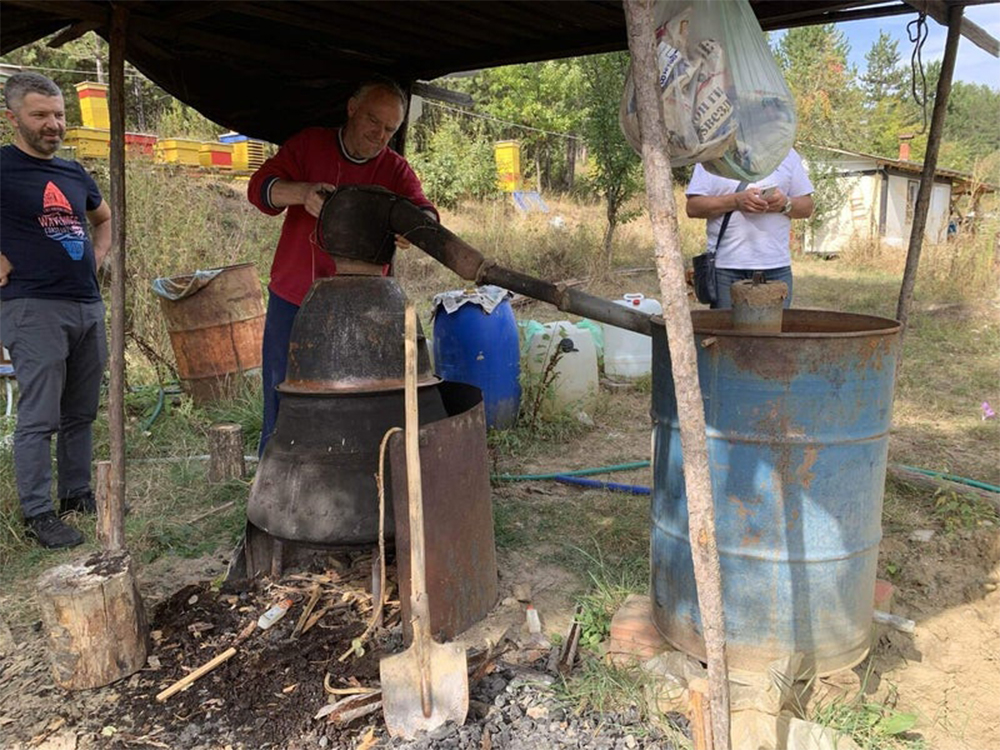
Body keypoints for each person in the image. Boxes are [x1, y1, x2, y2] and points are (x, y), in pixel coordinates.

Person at [248, 77, 437, 454]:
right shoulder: (309, 144)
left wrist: (415, 228)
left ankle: (348, 470)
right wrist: (302, 192)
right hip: (294, 297)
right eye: (373, 121)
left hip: (362, 307)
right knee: (284, 390)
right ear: (352, 109)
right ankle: (274, 470)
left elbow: (426, 211)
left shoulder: (394, 168)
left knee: (356, 397)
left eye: (390, 129)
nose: (379, 135)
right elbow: (260, 189)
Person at [1, 72, 112, 549]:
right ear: (13, 118)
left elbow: (104, 218)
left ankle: (76, 494)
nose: (54, 124)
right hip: (32, 306)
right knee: (40, 416)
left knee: (80, 411)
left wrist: (97, 258)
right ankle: (38, 513)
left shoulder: (73, 172)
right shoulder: (2, 166)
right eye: (40, 115)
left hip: (86, 303)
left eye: (60, 114)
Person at [685, 148, 814, 309]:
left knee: (774, 326)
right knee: (726, 326)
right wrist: (735, 201)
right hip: (724, 268)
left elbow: (807, 207)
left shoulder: (786, 153)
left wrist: (785, 204)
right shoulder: (714, 151)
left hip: (776, 267)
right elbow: (693, 207)